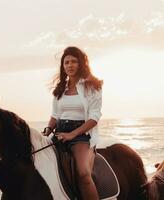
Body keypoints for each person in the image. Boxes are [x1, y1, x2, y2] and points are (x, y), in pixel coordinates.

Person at [43, 46, 103, 200]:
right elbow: (55, 115)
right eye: (66, 62)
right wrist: (47, 131)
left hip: (82, 135)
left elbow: (94, 117)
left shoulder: (92, 86)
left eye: (74, 61)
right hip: (60, 132)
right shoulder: (60, 89)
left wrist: (72, 134)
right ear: (63, 66)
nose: (70, 65)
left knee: (83, 173)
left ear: (81, 64)